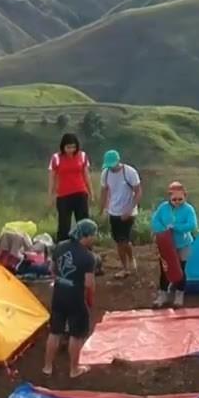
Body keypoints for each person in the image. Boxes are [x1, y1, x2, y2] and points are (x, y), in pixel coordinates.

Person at [44, 218, 101, 379]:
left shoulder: (60, 246)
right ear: (86, 236)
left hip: (59, 293)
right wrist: (90, 299)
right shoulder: (89, 257)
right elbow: (89, 283)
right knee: (76, 335)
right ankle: (74, 369)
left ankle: (47, 367)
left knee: (55, 332)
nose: (95, 238)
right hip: (75, 296)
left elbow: (52, 270)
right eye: (94, 235)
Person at [149, 181, 197, 308]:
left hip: (183, 245)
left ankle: (179, 294)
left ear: (185, 197)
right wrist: (163, 230)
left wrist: (176, 227)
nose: (177, 202)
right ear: (169, 198)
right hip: (166, 245)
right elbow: (155, 221)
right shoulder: (163, 207)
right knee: (165, 269)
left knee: (180, 270)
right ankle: (163, 295)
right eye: (174, 199)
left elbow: (192, 225)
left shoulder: (188, 209)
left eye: (180, 199)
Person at [99, 150, 141, 278]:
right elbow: (104, 191)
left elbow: (138, 192)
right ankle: (130, 259)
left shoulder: (129, 172)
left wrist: (129, 210)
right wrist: (103, 209)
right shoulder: (105, 174)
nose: (111, 167)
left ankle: (125, 268)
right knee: (120, 241)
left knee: (123, 239)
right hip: (114, 211)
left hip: (128, 211)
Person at [48, 133, 93, 243]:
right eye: (68, 147)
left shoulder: (82, 156)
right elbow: (52, 179)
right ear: (63, 146)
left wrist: (91, 193)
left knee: (83, 223)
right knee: (64, 225)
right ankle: (62, 249)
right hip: (63, 195)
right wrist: (50, 196)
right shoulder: (56, 158)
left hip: (80, 193)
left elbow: (86, 176)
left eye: (73, 147)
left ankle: (86, 250)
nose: (71, 150)